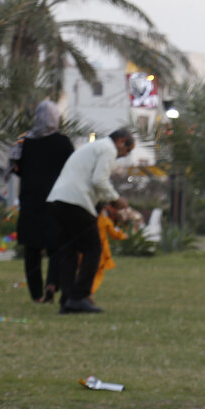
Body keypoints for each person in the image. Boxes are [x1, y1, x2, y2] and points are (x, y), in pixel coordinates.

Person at [47, 128, 135, 314]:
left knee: (69, 252)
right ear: (121, 141)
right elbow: (99, 180)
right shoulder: (108, 149)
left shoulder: (93, 147)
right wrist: (116, 199)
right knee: (93, 248)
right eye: (127, 150)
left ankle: (67, 300)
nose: (123, 156)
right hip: (76, 202)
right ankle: (79, 297)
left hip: (58, 199)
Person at [10, 100, 74, 303]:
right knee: (58, 245)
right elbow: (71, 169)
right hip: (56, 200)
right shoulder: (63, 142)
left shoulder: (24, 142)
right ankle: (52, 283)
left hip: (30, 202)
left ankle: (36, 294)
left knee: (32, 249)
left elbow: (15, 168)